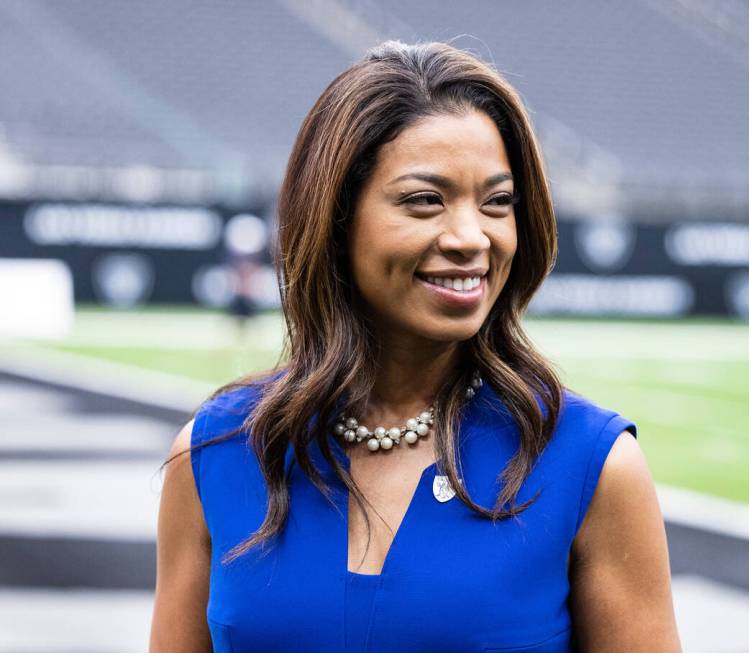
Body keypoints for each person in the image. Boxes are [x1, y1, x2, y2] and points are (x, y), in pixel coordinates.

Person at [150, 40, 681, 652]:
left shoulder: (590, 463)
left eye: (497, 203)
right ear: (335, 217)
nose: (470, 236)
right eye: (425, 200)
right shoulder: (215, 452)